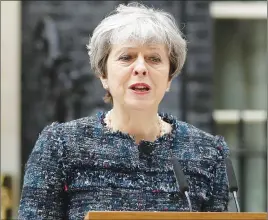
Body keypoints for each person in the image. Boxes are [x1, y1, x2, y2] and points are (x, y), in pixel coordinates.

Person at [18, 2, 230, 219]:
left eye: (154, 58)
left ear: (169, 78)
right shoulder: (60, 146)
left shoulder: (208, 153)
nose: (140, 68)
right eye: (126, 57)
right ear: (104, 75)